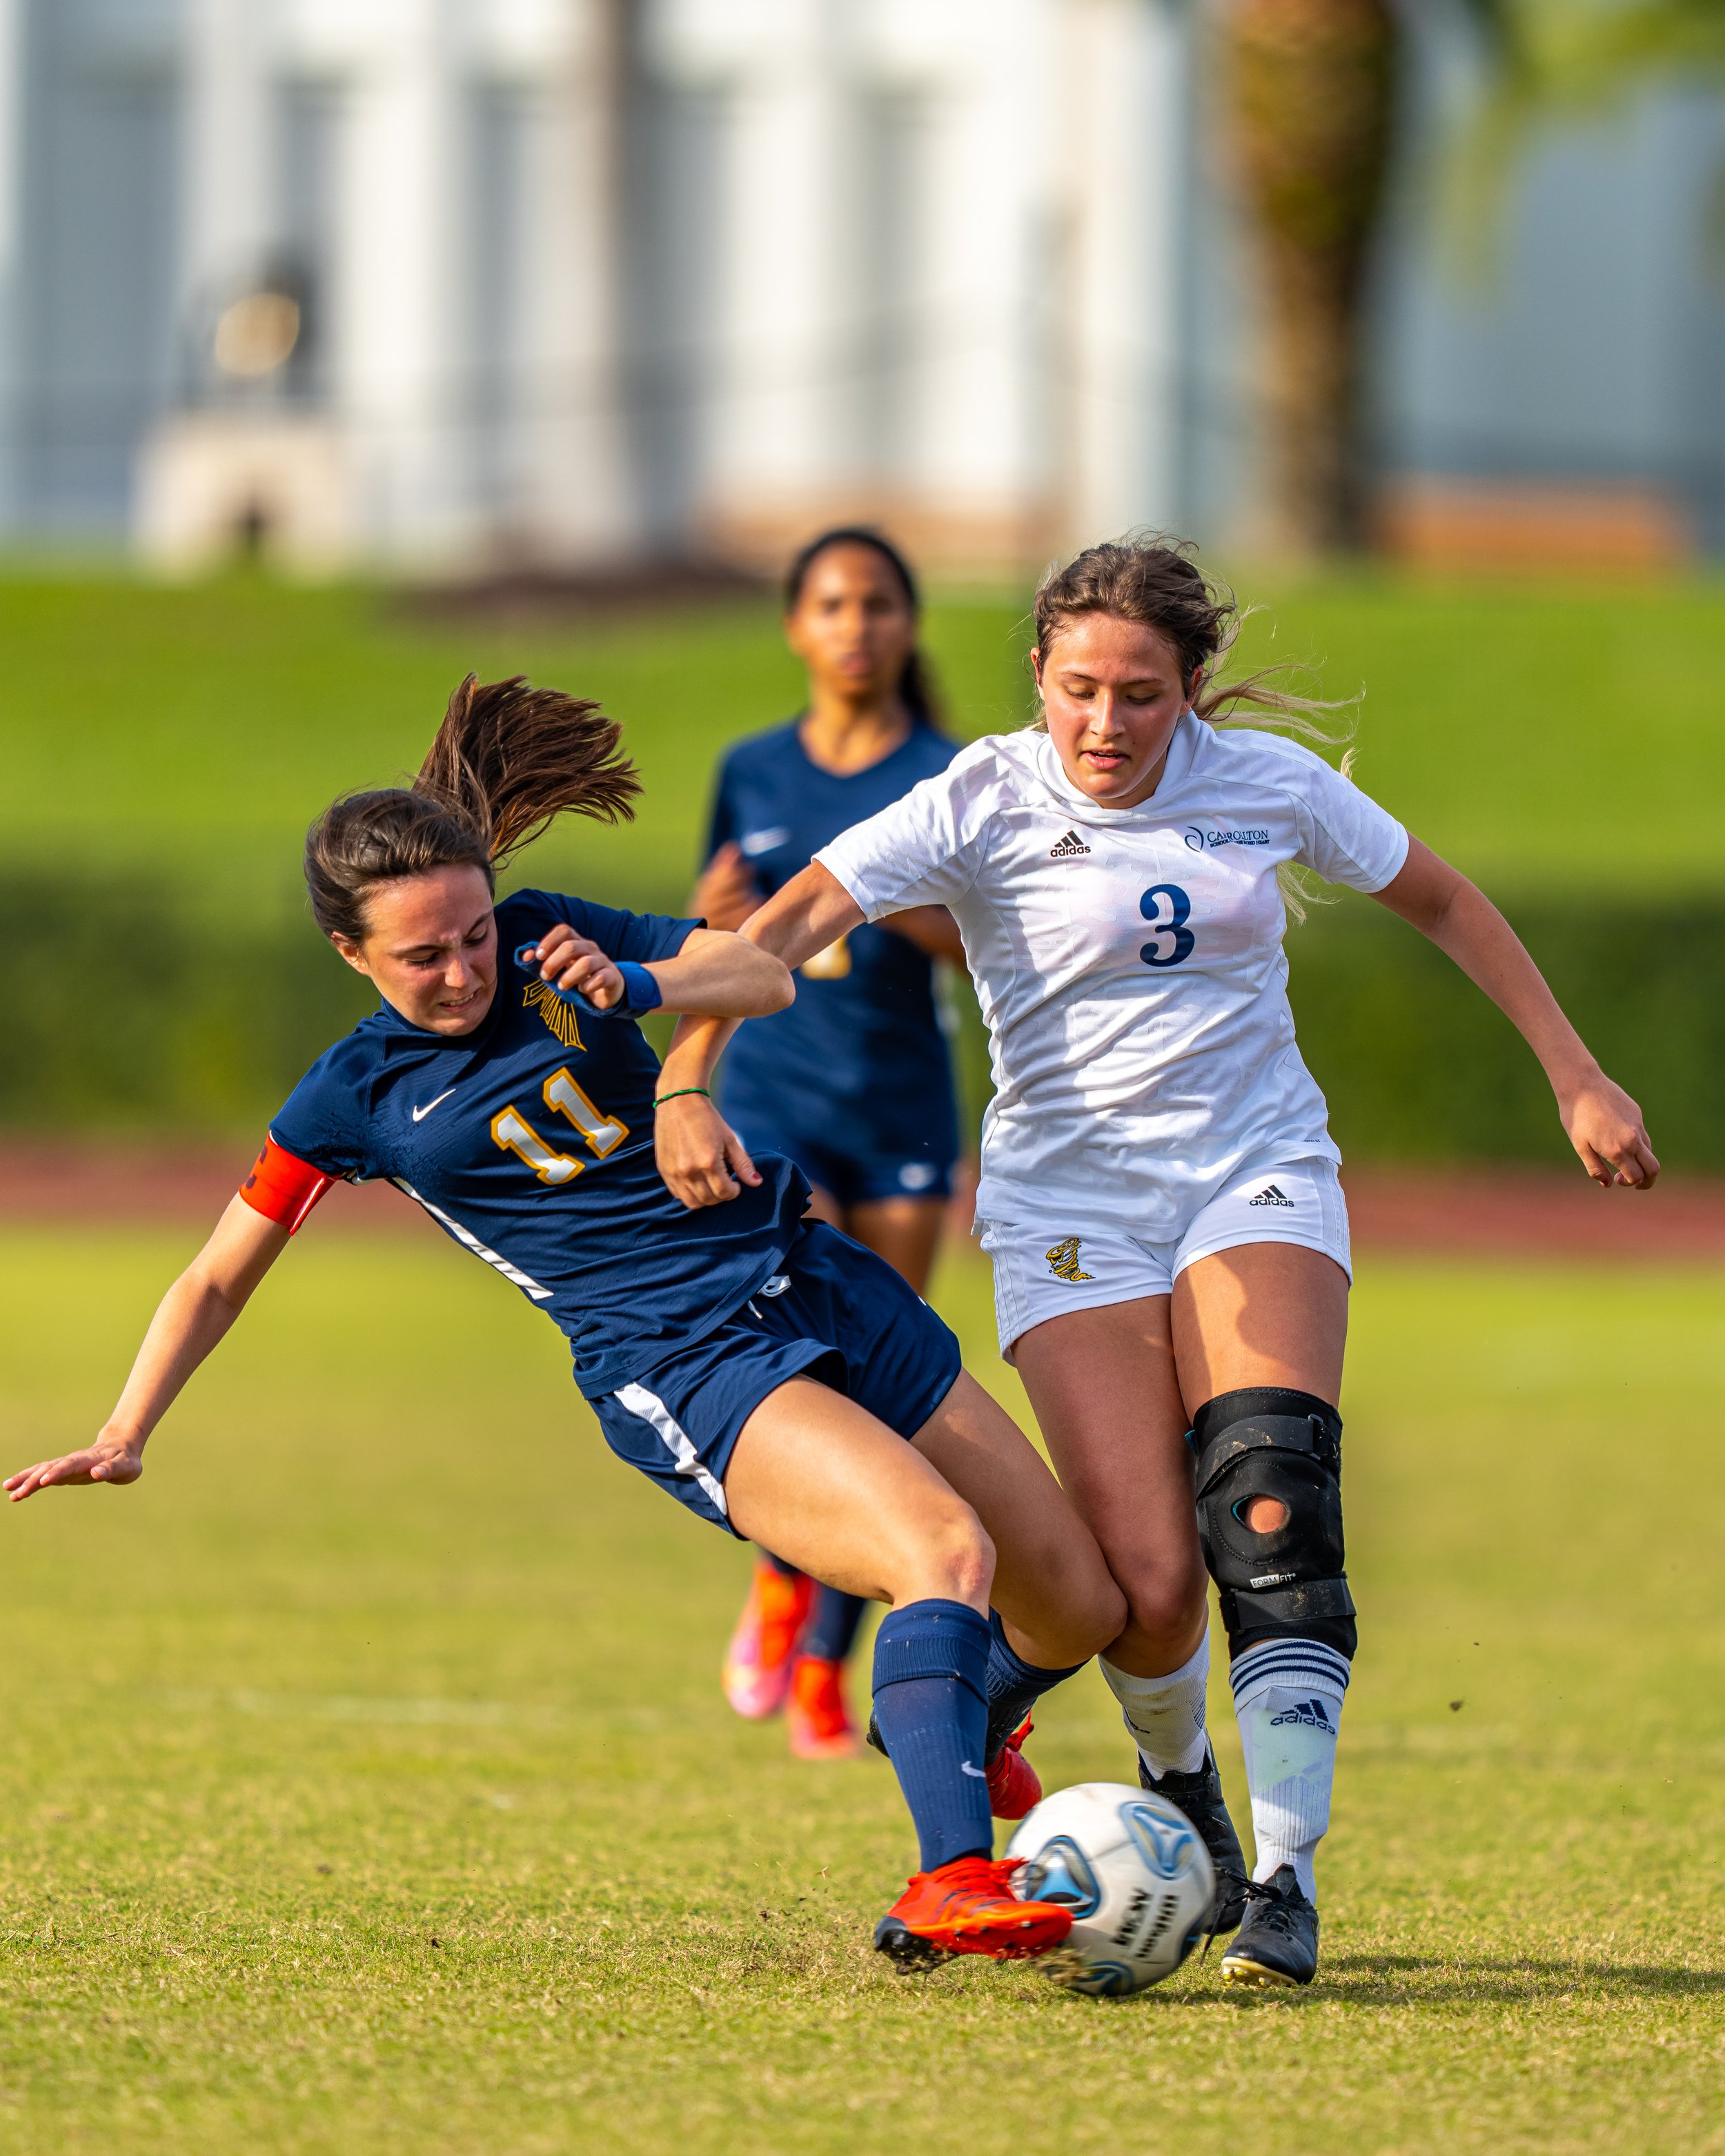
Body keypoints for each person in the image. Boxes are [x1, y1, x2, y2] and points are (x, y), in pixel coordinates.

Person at [652, 538, 1660, 1989]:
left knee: (1270, 1500)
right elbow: (791, 920)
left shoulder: (1266, 785)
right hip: (1069, 1206)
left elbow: (1445, 899)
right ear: (1038, 677)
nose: (1105, 724)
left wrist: (1575, 1072)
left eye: (1139, 694)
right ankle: (1177, 1786)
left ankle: (1284, 1878)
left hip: (1256, 1170)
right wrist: (687, 1071)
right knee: (1146, 1586)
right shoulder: (978, 794)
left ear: (1190, 686)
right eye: (1077, 690)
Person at [5, 674, 1125, 1969]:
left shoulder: (546, 936)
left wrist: (638, 980)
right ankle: (949, 1880)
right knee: (943, 1549)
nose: (463, 969)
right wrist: (125, 1428)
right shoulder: (349, 1096)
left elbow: (759, 972)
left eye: (473, 933)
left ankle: (949, 1718)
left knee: (1080, 1607)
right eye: (423, 955)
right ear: (350, 954)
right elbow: (216, 1273)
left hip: (816, 1272)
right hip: (688, 1361)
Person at [696, 528, 967, 1762]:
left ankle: (824, 1662)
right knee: (801, 1367)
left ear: (909, 624)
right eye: (832, 603)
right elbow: (712, 925)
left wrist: (896, 902)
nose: (856, 625)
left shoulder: (947, 774)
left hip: (900, 1107)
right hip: (775, 1101)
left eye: (878, 604)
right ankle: (781, 1573)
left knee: (890, 1388)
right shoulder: (750, 768)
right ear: (796, 626)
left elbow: (989, 940)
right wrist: (708, 920)